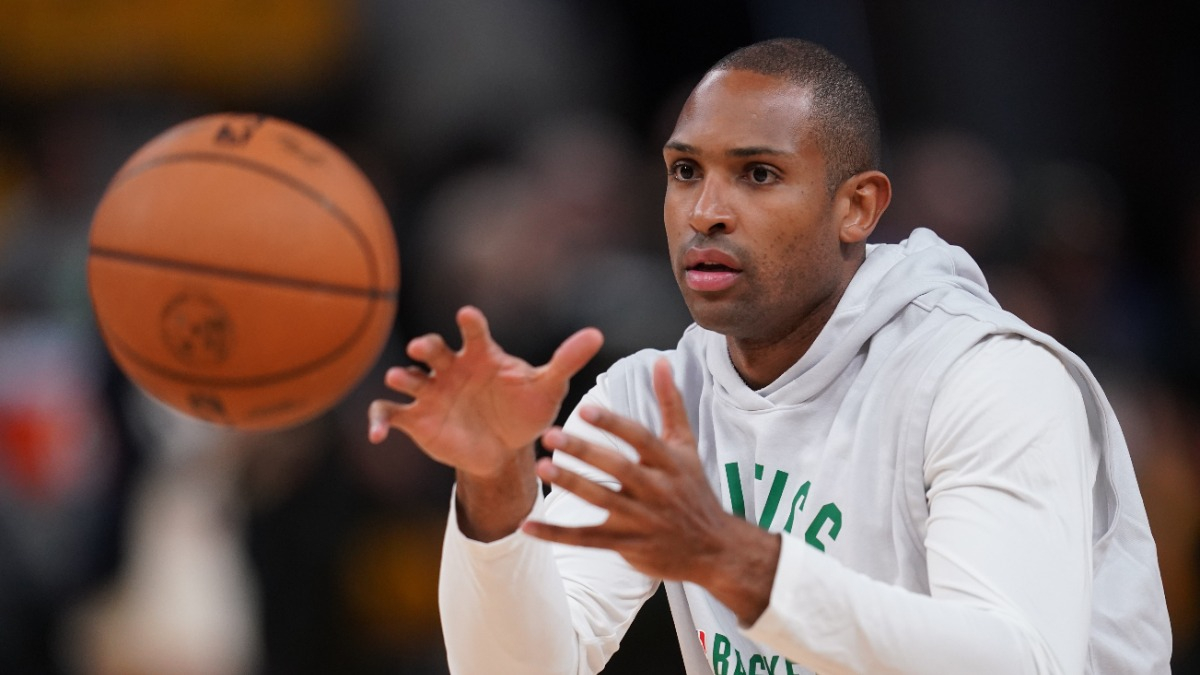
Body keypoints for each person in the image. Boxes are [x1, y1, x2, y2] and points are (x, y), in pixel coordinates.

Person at [367, 38, 1171, 674]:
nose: (706, 212)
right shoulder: (652, 397)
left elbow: (1022, 664)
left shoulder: (986, 378)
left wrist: (740, 561)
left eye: (757, 173)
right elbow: (527, 669)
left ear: (856, 206)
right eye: (686, 172)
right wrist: (495, 484)